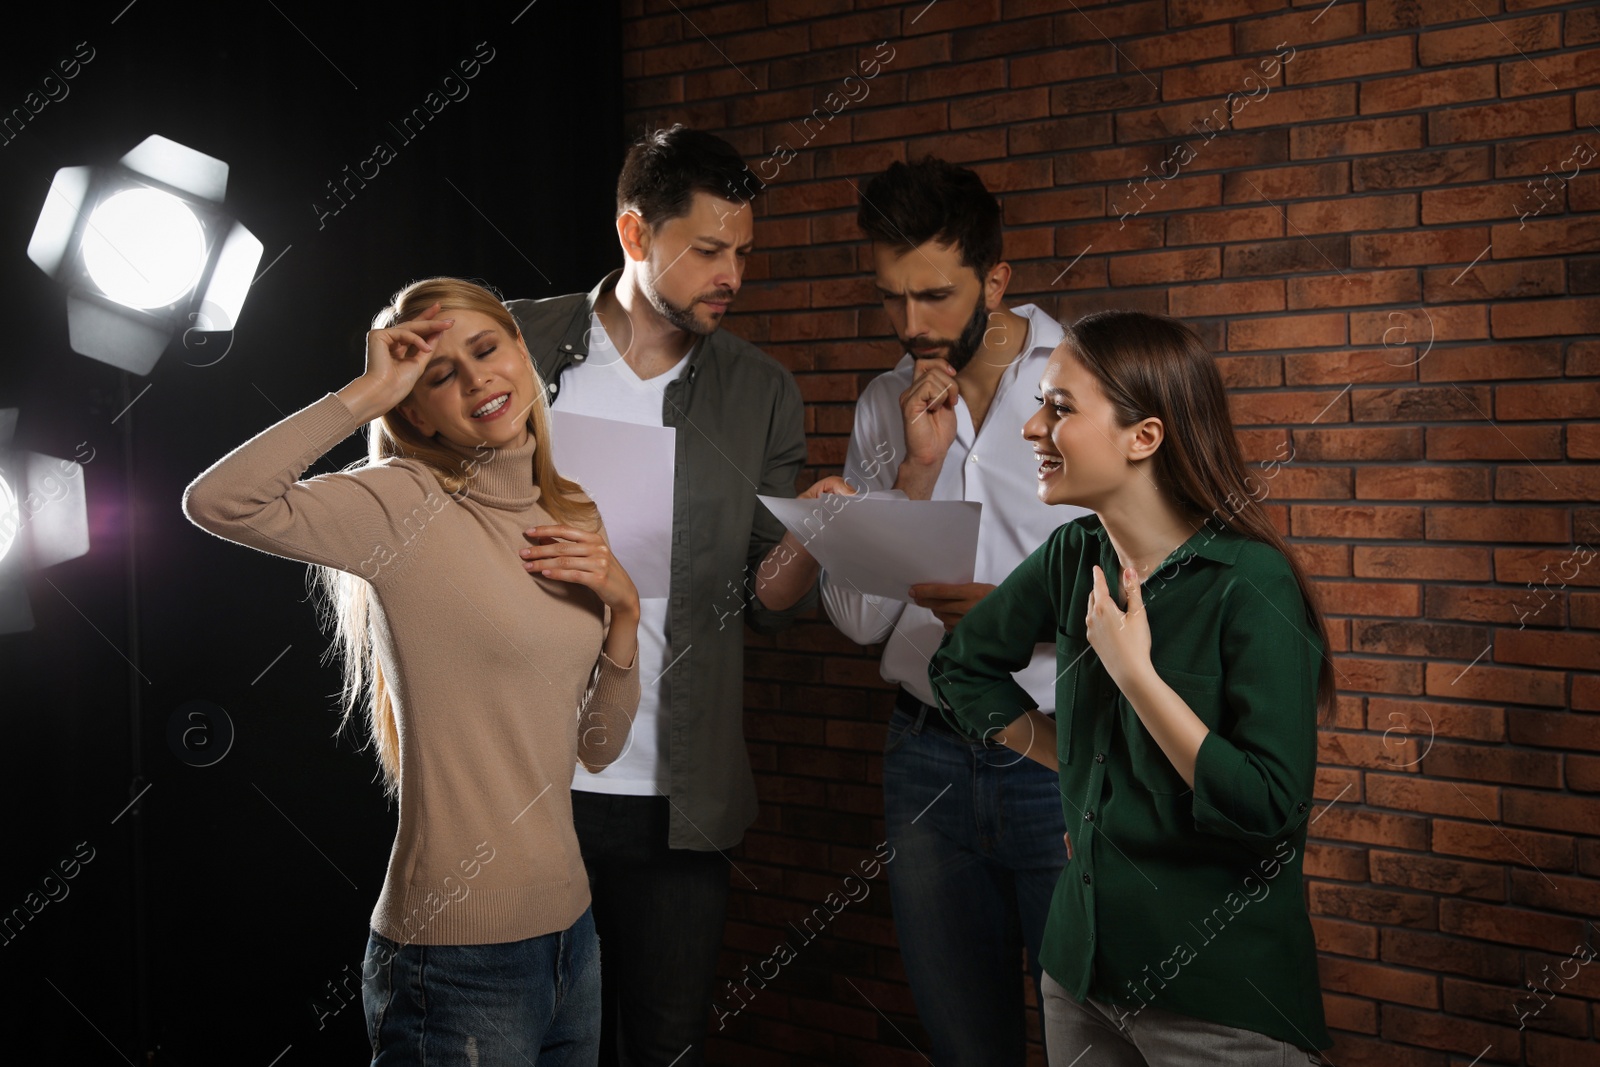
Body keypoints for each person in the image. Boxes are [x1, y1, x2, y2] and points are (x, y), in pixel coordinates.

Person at [183, 277, 642, 1065]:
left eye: (486, 348)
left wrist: (625, 614)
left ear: (523, 354)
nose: (476, 379)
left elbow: (596, 748)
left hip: (573, 937)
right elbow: (219, 501)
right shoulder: (404, 505)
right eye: (438, 375)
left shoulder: (571, 515)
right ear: (416, 412)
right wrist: (365, 393)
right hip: (457, 959)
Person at [929, 310, 1335, 1065]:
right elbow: (961, 669)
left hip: (1224, 1000)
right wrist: (1080, 769)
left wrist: (1135, 676)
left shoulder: (1252, 583)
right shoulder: (1071, 553)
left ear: (1143, 437)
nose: (1031, 428)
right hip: (1080, 976)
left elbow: (1272, 811)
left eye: (1060, 407)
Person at [505, 125, 823, 1066]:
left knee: (666, 1041)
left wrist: (813, 539)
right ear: (636, 235)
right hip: (526, 780)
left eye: (744, 254)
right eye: (710, 251)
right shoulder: (516, 346)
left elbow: (770, 602)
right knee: (530, 1038)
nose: (733, 275)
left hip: (678, 795)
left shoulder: (764, 392)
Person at [804, 157, 1086, 1064]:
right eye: (891, 298)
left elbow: (1159, 581)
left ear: (996, 281)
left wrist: (1022, 617)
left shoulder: (1093, 380)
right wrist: (913, 475)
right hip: (924, 760)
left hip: (1056, 753)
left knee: (1093, 1040)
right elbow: (856, 619)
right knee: (967, 1047)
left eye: (933, 295)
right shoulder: (883, 403)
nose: (912, 326)